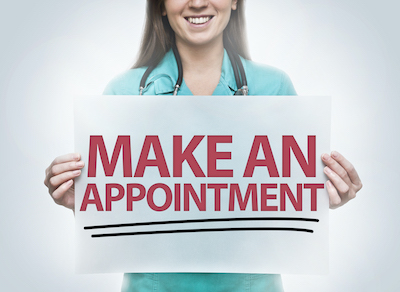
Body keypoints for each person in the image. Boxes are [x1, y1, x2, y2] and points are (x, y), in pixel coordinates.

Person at [44, 0, 363, 291]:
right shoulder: (123, 93)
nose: (197, 3)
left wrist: (322, 197)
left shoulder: (274, 87)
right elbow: (120, 222)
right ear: (161, 6)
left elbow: (286, 212)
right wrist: (85, 201)